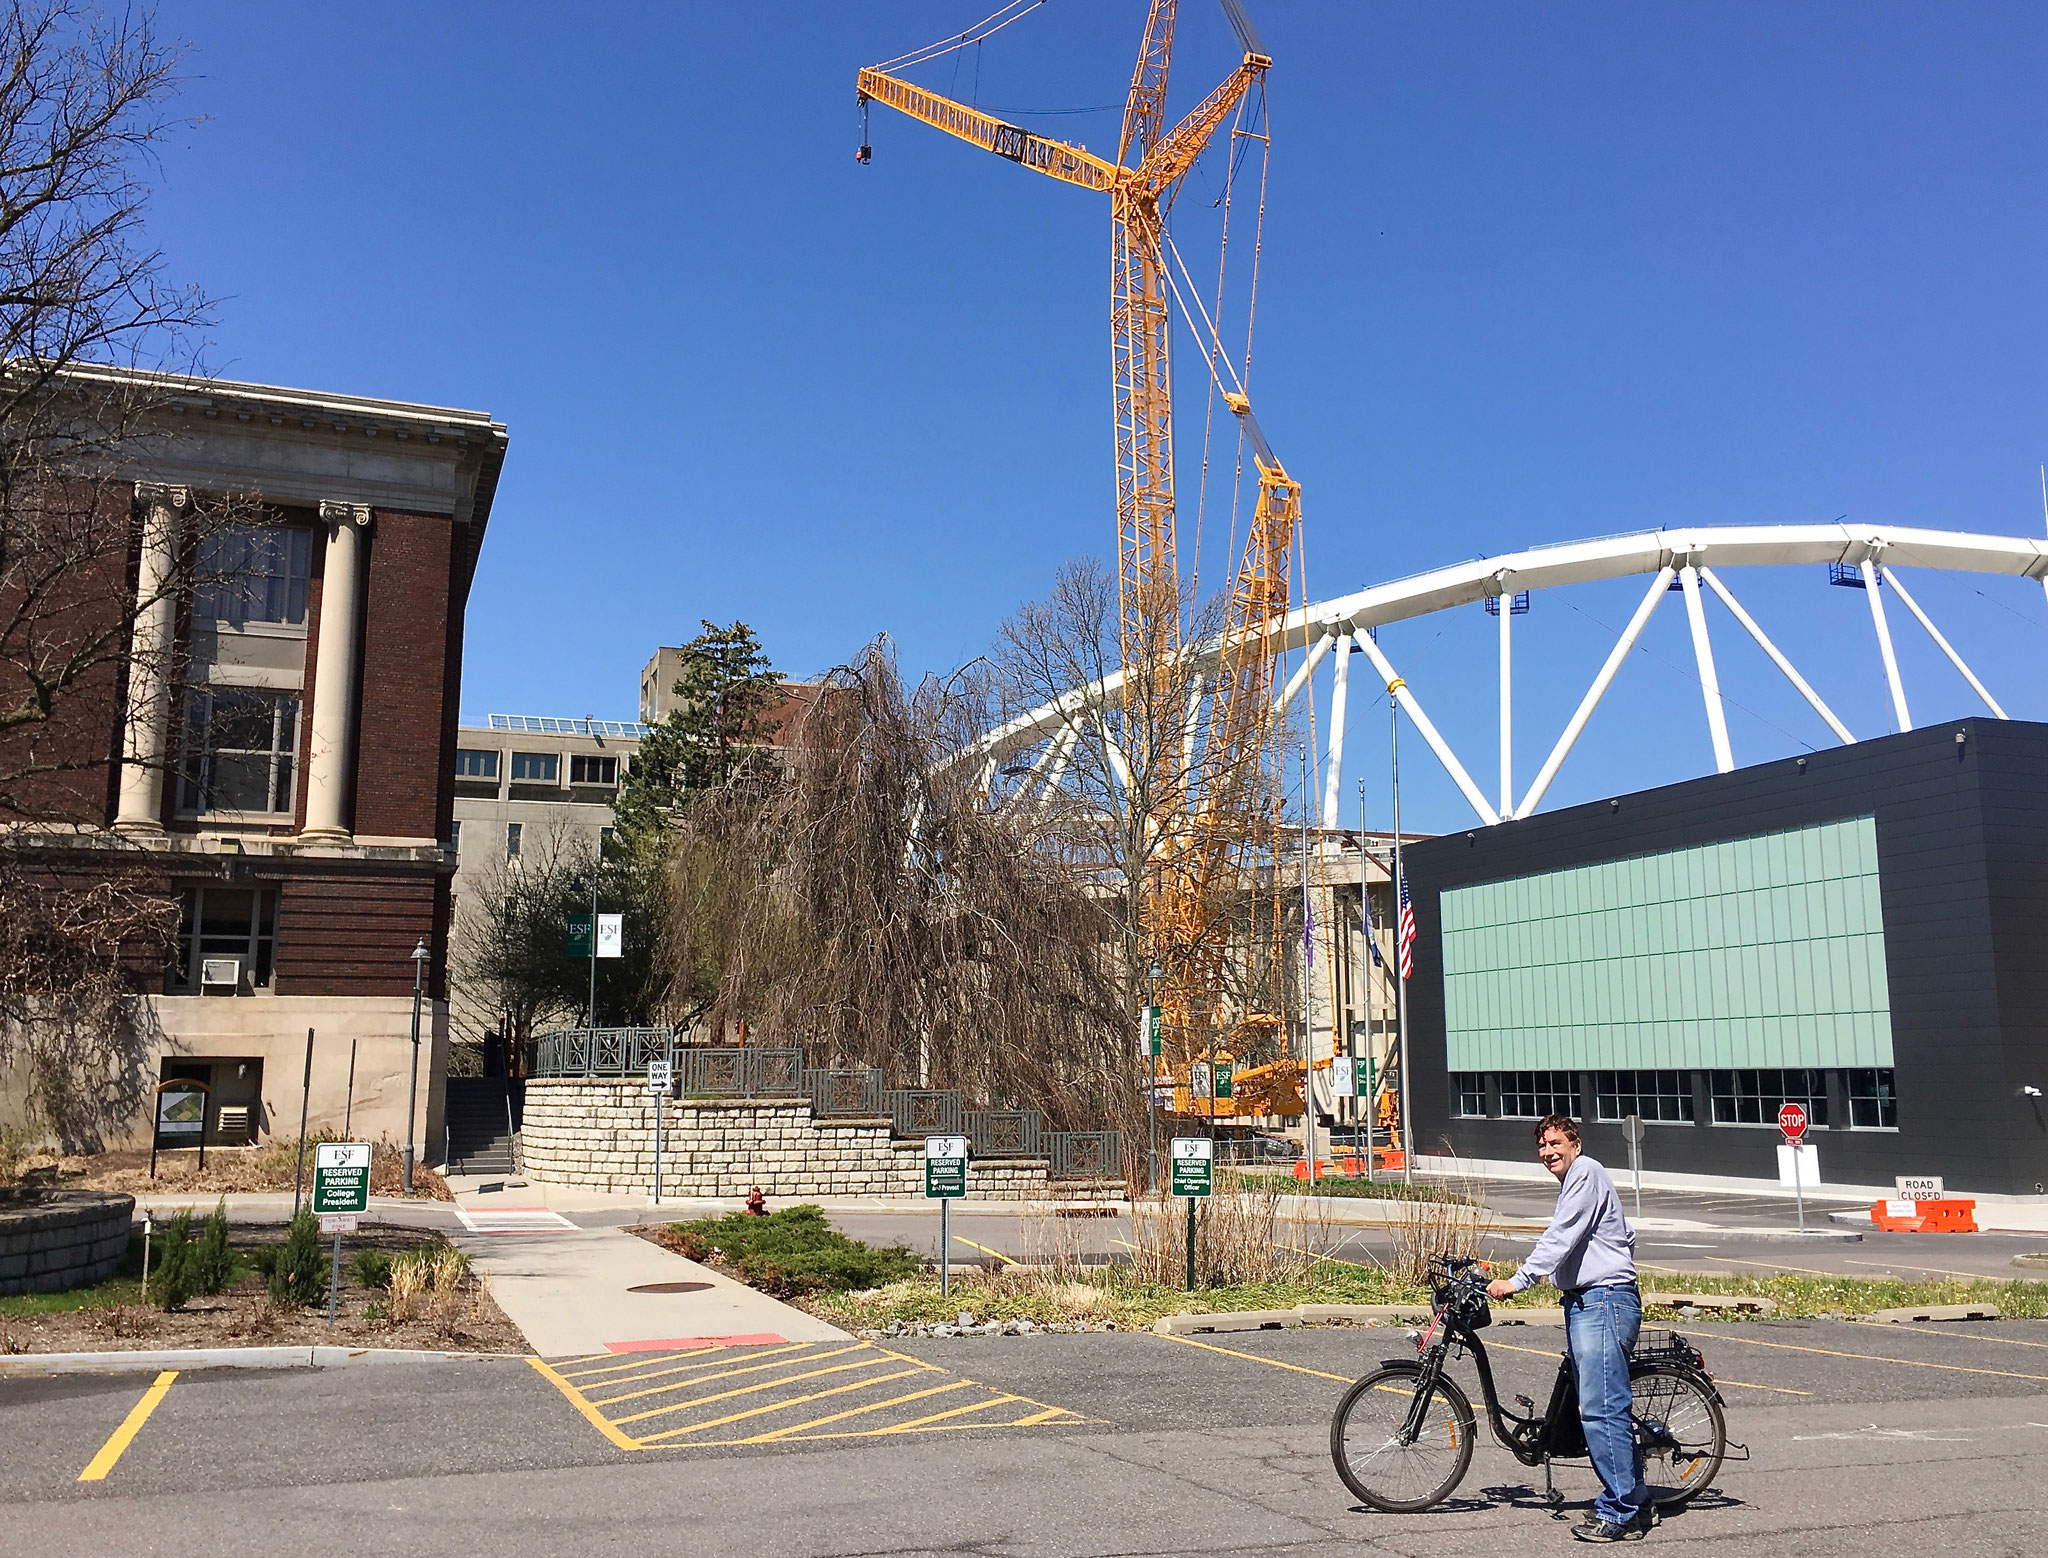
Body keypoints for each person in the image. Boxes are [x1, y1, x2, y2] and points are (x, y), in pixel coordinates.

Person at [1487, 1113, 1650, 1542]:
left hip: (1604, 1300)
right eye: (1542, 1145)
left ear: (1575, 1144)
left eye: (1556, 1142)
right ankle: (1635, 1495)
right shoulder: (1579, 1179)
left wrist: (1519, 1280)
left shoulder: (1586, 1171)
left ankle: (1621, 1512)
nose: (1548, 1152)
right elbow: (1619, 1235)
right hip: (1587, 1302)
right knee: (1595, 1405)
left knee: (1601, 1408)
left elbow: (1562, 1235)